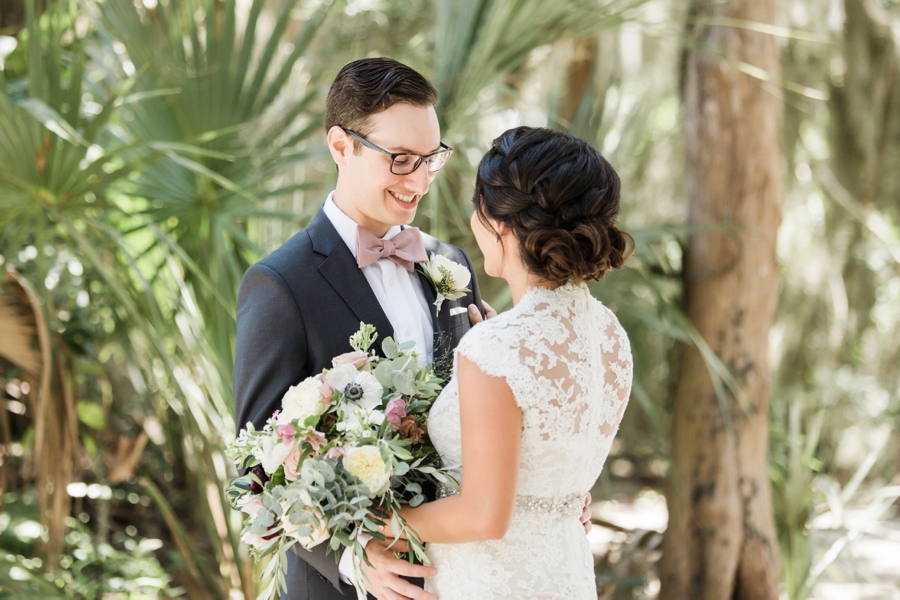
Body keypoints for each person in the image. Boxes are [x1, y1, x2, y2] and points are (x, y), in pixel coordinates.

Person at [234, 59, 591, 600]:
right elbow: (256, 467)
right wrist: (354, 560)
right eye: (400, 160)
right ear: (340, 146)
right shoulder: (280, 284)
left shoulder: (453, 265)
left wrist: (545, 483)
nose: (420, 181)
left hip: (463, 574)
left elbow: (482, 417)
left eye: (430, 159)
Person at [381, 126, 635, 599]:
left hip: (489, 582)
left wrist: (375, 526)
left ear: (500, 223)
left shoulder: (496, 349)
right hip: (566, 575)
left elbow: (483, 515)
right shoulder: (610, 335)